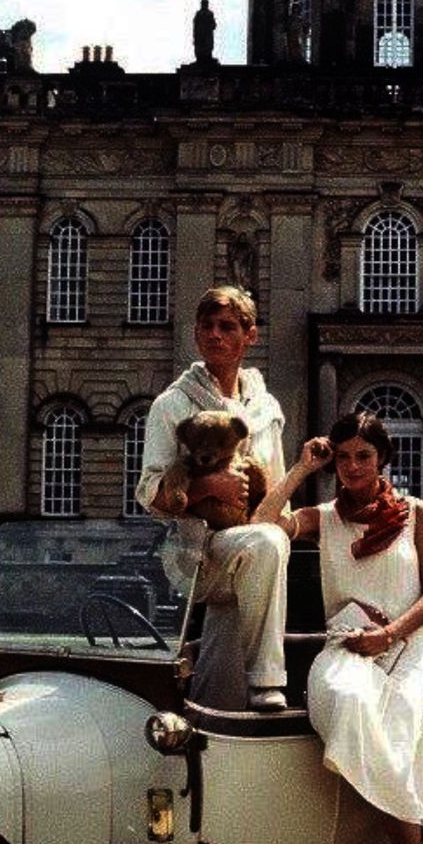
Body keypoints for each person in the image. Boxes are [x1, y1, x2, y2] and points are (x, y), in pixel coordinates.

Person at [251, 411, 423, 844]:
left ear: (382, 458)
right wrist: (300, 469)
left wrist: (389, 634)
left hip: (408, 643)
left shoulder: (417, 512)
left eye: (363, 456)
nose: (352, 467)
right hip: (345, 643)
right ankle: (414, 827)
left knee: (396, 721)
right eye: (342, 457)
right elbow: (260, 525)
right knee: (346, 699)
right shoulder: (325, 517)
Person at [136, 285, 289, 712]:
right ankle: (267, 682)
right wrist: (207, 487)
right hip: (193, 551)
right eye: (206, 327)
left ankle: (220, 716)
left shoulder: (266, 406)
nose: (215, 335)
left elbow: (273, 491)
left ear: (250, 335)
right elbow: (149, 493)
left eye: (226, 327)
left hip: (248, 545)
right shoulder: (173, 403)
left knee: (268, 545)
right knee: (267, 545)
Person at [192, 0, 216, 64]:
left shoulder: (209, 14)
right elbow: (195, 26)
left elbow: (213, 25)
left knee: (207, 48)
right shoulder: (199, 14)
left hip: (206, 36)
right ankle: (201, 59)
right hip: (200, 36)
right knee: (200, 48)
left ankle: (206, 58)